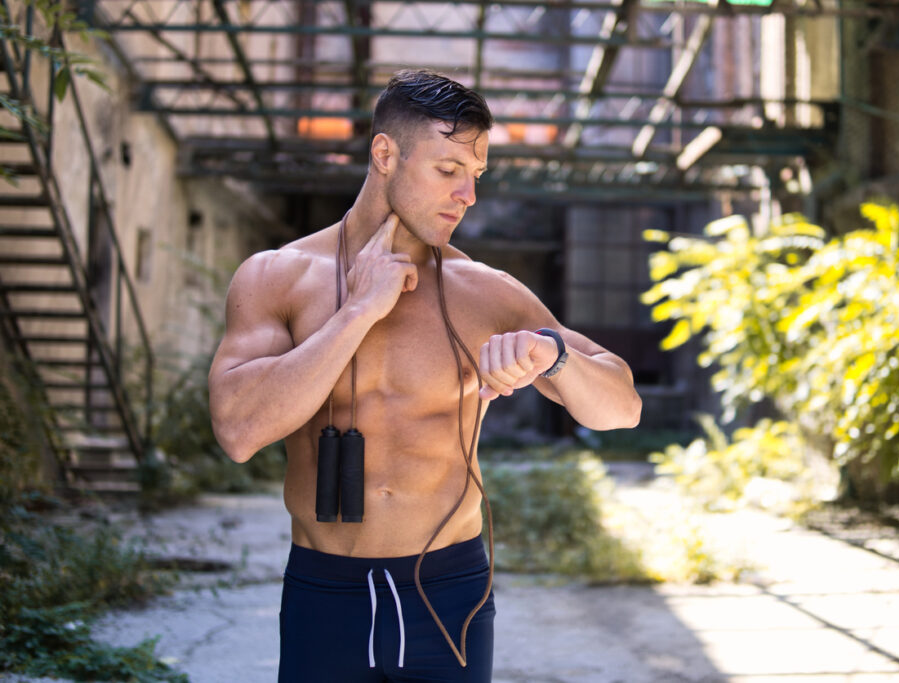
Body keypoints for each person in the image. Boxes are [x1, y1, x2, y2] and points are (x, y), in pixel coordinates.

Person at [207, 69, 642, 683]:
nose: (468, 196)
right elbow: (238, 430)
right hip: (324, 588)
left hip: (447, 588)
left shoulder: (482, 292)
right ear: (385, 153)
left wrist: (553, 356)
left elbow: (622, 408)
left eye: (476, 176)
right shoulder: (276, 277)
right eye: (447, 171)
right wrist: (358, 310)